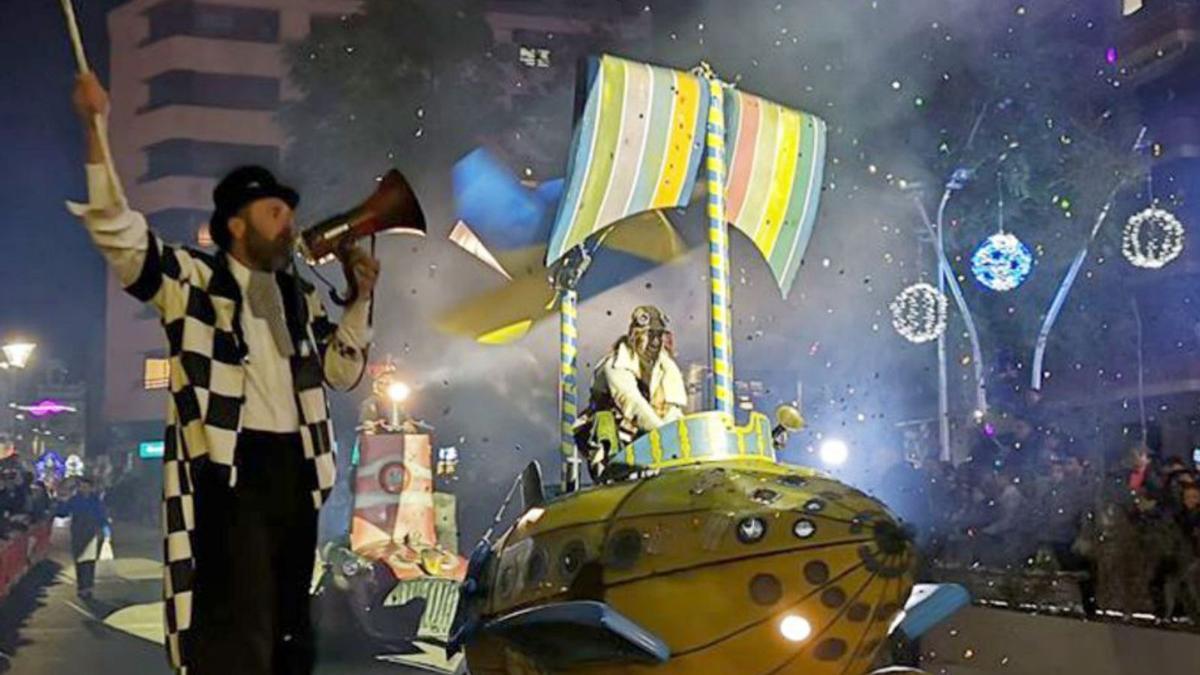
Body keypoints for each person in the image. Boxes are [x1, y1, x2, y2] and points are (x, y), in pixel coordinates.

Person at [71, 72, 379, 674]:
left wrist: (362, 299)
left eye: (289, 213)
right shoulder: (191, 282)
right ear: (236, 224)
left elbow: (342, 373)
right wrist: (94, 126)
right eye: (275, 213)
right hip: (229, 467)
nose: (289, 225)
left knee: (290, 621)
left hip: (297, 467)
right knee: (235, 621)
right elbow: (118, 232)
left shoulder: (298, 298)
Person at [579, 305, 686, 478]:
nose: (656, 342)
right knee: (604, 421)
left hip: (648, 436)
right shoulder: (615, 365)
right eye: (650, 335)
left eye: (659, 335)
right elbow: (633, 404)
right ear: (636, 335)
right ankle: (610, 476)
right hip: (611, 439)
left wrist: (677, 438)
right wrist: (666, 434)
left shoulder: (666, 366)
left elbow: (674, 408)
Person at [56, 477, 110, 600]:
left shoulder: (96, 501)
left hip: (92, 534)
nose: (84, 489)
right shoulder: (74, 500)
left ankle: (89, 587)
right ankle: (82, 587)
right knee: (80, 561)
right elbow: (62, 513)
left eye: (86, 486)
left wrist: (105, 531)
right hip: (78, 534)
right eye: (81, 486)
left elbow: (102, 517)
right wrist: (61, 501)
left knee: (90, 562)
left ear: (91, 488)